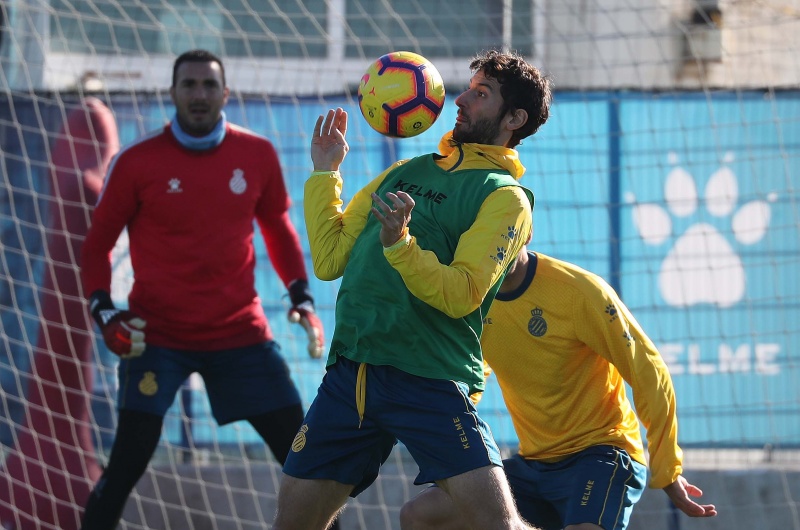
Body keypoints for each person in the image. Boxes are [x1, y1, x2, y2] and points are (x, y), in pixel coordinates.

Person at [270, 49, 553, 530]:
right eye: (469, 89)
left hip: (430, 378)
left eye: (481, 94)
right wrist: (325, 173)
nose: (460, 100)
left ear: (515, 119)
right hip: (353, 376)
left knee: (499, 526)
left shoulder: (505, 198)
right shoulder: (406, 170)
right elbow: (330, 259)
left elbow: (462, 293)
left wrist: (400, 245)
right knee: (292, 523)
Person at [79, 49, 328, 529]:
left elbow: (279, 230)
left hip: (240, 334)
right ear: (172, 93)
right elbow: (96, 247)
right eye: (189, 85)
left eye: (209, 85)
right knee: (125, 465)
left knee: (306, 464)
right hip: (157, 338)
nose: (199, 94)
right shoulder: (136, 162)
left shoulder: (256, 154)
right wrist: (104, 313)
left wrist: (301, 296)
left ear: (225, 93)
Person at [399, 247, 719, 530]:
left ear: (525, 232)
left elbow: (649, 370)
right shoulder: (473, 299)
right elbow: (469, 377)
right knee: (420, 517)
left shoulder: (579, 291)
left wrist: (667, 468)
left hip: (602, 452)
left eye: (505, 231)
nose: (496, 244)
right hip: (533, 464)